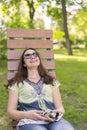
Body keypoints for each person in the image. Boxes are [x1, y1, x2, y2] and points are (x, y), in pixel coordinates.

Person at [7, 48, 74, 130]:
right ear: (24, 63)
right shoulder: (16, 84)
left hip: (53, 121)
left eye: (35, 54)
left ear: (38, 59)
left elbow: (60, 108)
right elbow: (10, 112)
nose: (32, 57)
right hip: (30, 122)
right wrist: (28, 114)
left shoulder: (52, 82)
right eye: (28, 55)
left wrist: (55, 113)